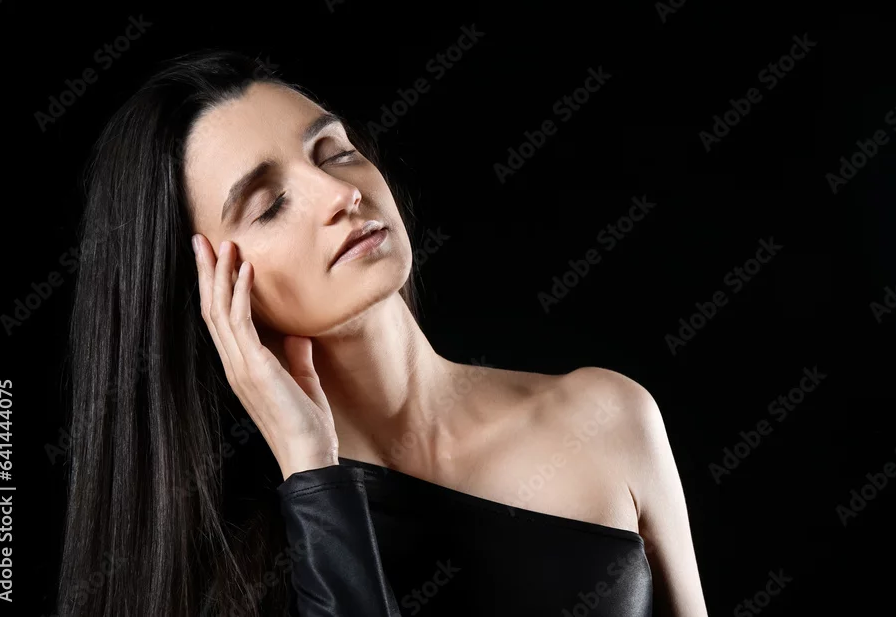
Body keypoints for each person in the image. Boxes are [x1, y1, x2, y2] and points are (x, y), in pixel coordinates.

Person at [56, 49, 708, 616]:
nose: (339, 193)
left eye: (336, 152)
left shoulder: (608, 415)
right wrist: (312, 470)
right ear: (203, 291)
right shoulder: (228, 558)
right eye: (270, 205)